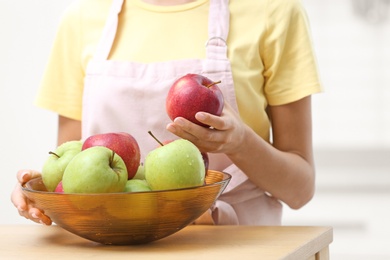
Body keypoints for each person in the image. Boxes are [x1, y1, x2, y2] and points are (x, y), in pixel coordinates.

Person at [11, 0, 322, 226]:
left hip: (238, 242)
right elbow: (72, 171)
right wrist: (41, 193)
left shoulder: (275, 11)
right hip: (115, 244)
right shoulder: (82, 18)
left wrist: (239, 142)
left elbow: (300, 190)